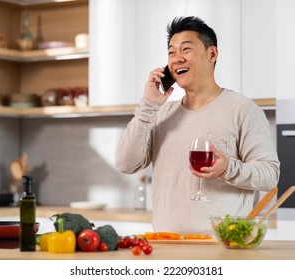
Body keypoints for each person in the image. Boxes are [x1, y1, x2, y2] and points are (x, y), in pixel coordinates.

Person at [115, 16, 280, 234]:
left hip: (221, 246)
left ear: (212, 54)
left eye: (186, 50)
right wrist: (148, 106)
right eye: (171, 53)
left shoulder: (243, 109)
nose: (177, 59)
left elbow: (270, 175)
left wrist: (227, 168)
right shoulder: (161, 113)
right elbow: (126, 163)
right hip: (165, 243)